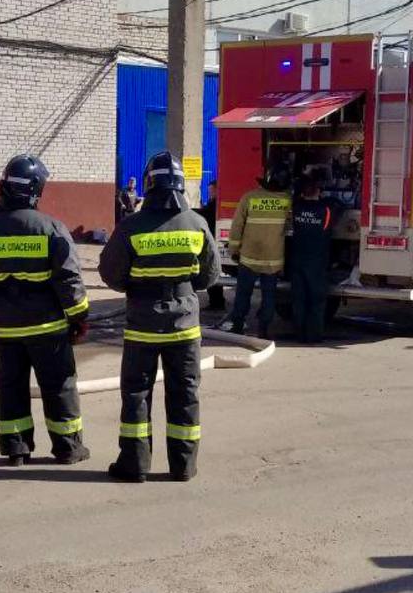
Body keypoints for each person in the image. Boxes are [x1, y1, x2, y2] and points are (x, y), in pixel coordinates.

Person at [0, 154, 90, 467]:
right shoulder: (50, 228)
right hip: (48, 330)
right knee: (59, 387)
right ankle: (68, 448)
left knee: (10, 389)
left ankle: (16, 449)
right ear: (35, 190)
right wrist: (79, 317)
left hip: (3, 330)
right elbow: (68, 279)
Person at [98, 151, 220, 483]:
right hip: (184, 327)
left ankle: (134, 465)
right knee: (185, 393)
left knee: (137, 394)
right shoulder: (197, 223)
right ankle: (184, 466)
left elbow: (110, 274)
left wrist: (137, 286)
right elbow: (210, 276)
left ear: (149, 184)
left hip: (142, 326)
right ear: (181, 186)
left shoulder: (131, 226)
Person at [227, 163, 292, 338]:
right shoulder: (287, 200)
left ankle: (238, 325)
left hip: (249, 257)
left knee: (243, 294)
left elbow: (237, 226)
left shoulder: (249, 197)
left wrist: (233, 249)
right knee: (269, 296)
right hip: (273, 260)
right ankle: (263, 329)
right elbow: (290, 226)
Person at [289, 168, 333, 343]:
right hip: (317, 261)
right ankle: (314, 335)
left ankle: (299, 333)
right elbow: (337, 209)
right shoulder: (326, 210)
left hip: (297, 260)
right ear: (319, 191)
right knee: (316, 300)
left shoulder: (296, 208)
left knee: (298, 298)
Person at [195, 179, 226, 311]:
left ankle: (217, 303)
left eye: (211, 191)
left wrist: (190, 213)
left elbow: (206, 215)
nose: (210, 193)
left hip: (213, 240)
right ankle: (217, 302)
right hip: (213, 239)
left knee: (212, 270)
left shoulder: (215, 204)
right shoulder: (214, 203)